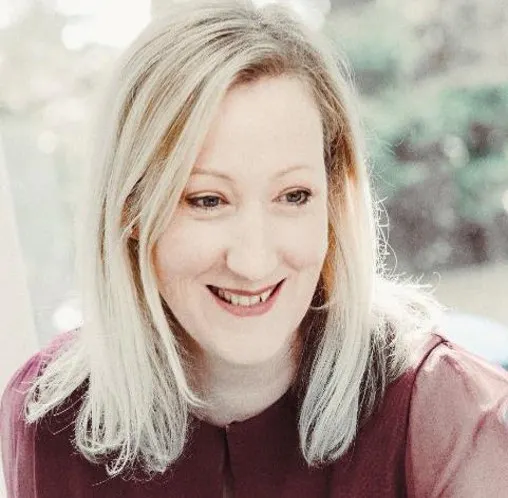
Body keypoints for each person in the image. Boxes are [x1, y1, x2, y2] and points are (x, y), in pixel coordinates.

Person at [1, 0, 508, 496]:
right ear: (130, 209)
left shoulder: (456, 418)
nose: (253, 261)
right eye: (207, 200)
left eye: (293, 196)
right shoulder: (48, 420)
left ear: (333, 198)